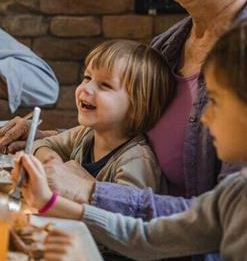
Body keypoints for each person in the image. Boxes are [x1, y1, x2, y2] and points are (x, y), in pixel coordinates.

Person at [0, 0, 247, 261]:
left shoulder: (241, 65)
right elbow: (125, 139)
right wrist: (42, 139)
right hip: (124, 250)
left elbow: (224, 219)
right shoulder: (165, 50)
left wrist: (92, 191)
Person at [15, 22, 247, 261]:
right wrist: (49, 201)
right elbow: (144, 235)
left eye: (216, 102)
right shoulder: (236, 191)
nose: (204, 118)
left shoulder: (139, 159)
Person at [32, 40, 173, 190]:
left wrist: (83, 184)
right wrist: (54, 163)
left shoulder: (136, 160)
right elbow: (41, 144)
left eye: (105, 85)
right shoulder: (85, 134)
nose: (86, 88)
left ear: (136, 107)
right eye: (87, 78)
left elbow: (130, 209)